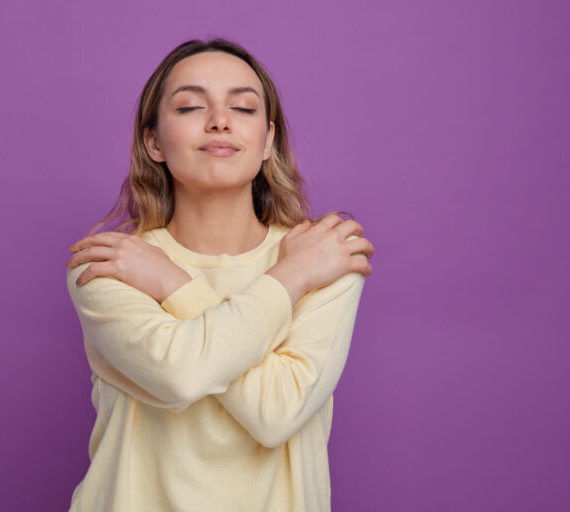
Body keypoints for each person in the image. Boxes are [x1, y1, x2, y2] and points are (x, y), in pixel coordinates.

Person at [64, 38, 374, 512]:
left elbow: (277, 413)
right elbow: (180, 374)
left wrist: (173, 285)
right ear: (153, 142)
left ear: (268, 140)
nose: (219, 120)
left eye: (243, 107)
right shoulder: (110, 263)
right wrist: (292, 277)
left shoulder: (324, 258)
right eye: (189, 106)